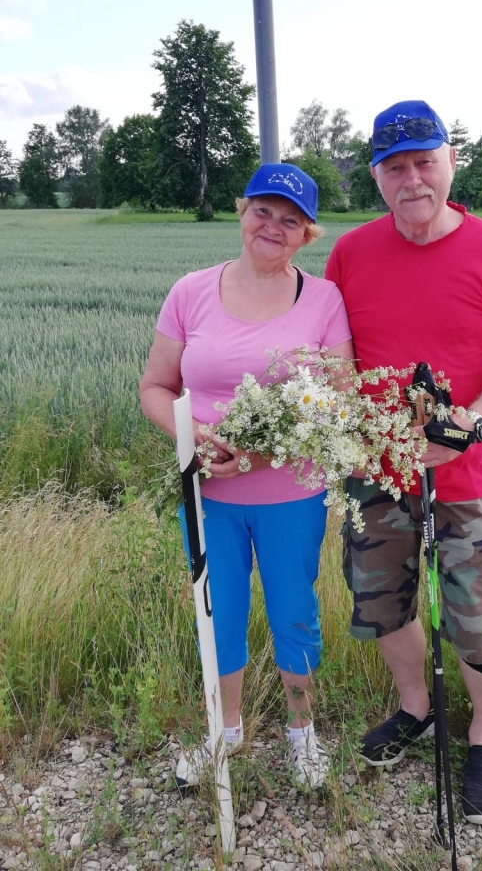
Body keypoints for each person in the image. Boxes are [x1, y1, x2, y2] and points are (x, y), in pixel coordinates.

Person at [325, 100, 482, 825]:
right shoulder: (350, 254)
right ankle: (415, 709)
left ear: (450, 162)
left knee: (477, 617)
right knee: (383, 601)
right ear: (377, 177)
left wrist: (472, 423)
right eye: (395, 166)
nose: (411, 178)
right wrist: (355, 423)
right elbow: (338, 360)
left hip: (464, 472)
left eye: (425, 161)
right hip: (377, 469)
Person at [140, 163, 353, 791]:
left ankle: (301, 733)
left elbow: (339, 399)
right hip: (208, 494)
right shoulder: (190, 292)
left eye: (291, 220)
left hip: (292, 493)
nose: (273, 226)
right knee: (218, 611)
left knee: (293, 612)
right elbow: (155, 387)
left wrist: (260, 452)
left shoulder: (324, 300)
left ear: (306, 236)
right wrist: (194, 436)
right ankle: (223, 733)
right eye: (264, 210)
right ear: (242, 212)